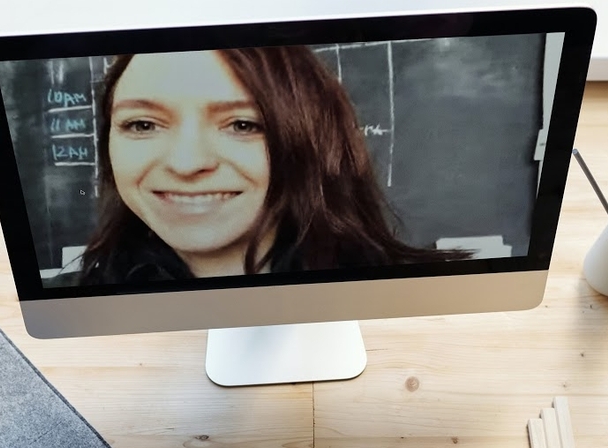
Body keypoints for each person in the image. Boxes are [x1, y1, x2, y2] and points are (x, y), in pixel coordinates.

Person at [62, 46, 465, 286]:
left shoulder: (423, 297)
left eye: (242, 124)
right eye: (143, 124)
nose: (186, 163)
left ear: (309, 141)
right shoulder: (73, 314)